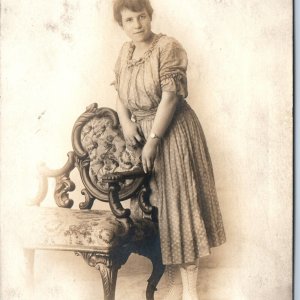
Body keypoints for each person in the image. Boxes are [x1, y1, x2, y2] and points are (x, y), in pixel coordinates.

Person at [112, 1, 226, 299]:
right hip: (144, 140)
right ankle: (173, 280)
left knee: (181, 209)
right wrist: (126, 123)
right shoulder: (125, 53)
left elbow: (170, 98)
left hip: (172, 133)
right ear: (121, 24)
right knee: (160, 210)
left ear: (150, 16)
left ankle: (189, 291)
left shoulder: (167, 47)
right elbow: (121, 95)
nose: (136, 24)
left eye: (141, 17)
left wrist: (153, 140)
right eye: (128, 20)